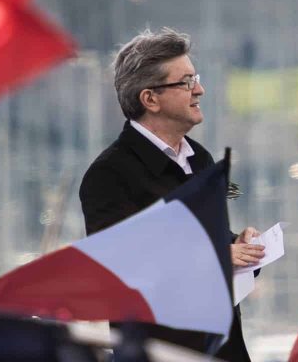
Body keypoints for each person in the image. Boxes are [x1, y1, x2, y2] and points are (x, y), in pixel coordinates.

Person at [79, 28, 264, 361]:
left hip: (223, 347)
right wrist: (219, 258)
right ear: (150, 99)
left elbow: (209, 239)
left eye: (197, 78)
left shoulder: (200, 158)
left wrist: (240, 247)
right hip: (161, 352)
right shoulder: (109, 174)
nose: (200, 90)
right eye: (187, 82)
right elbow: (119, 270)